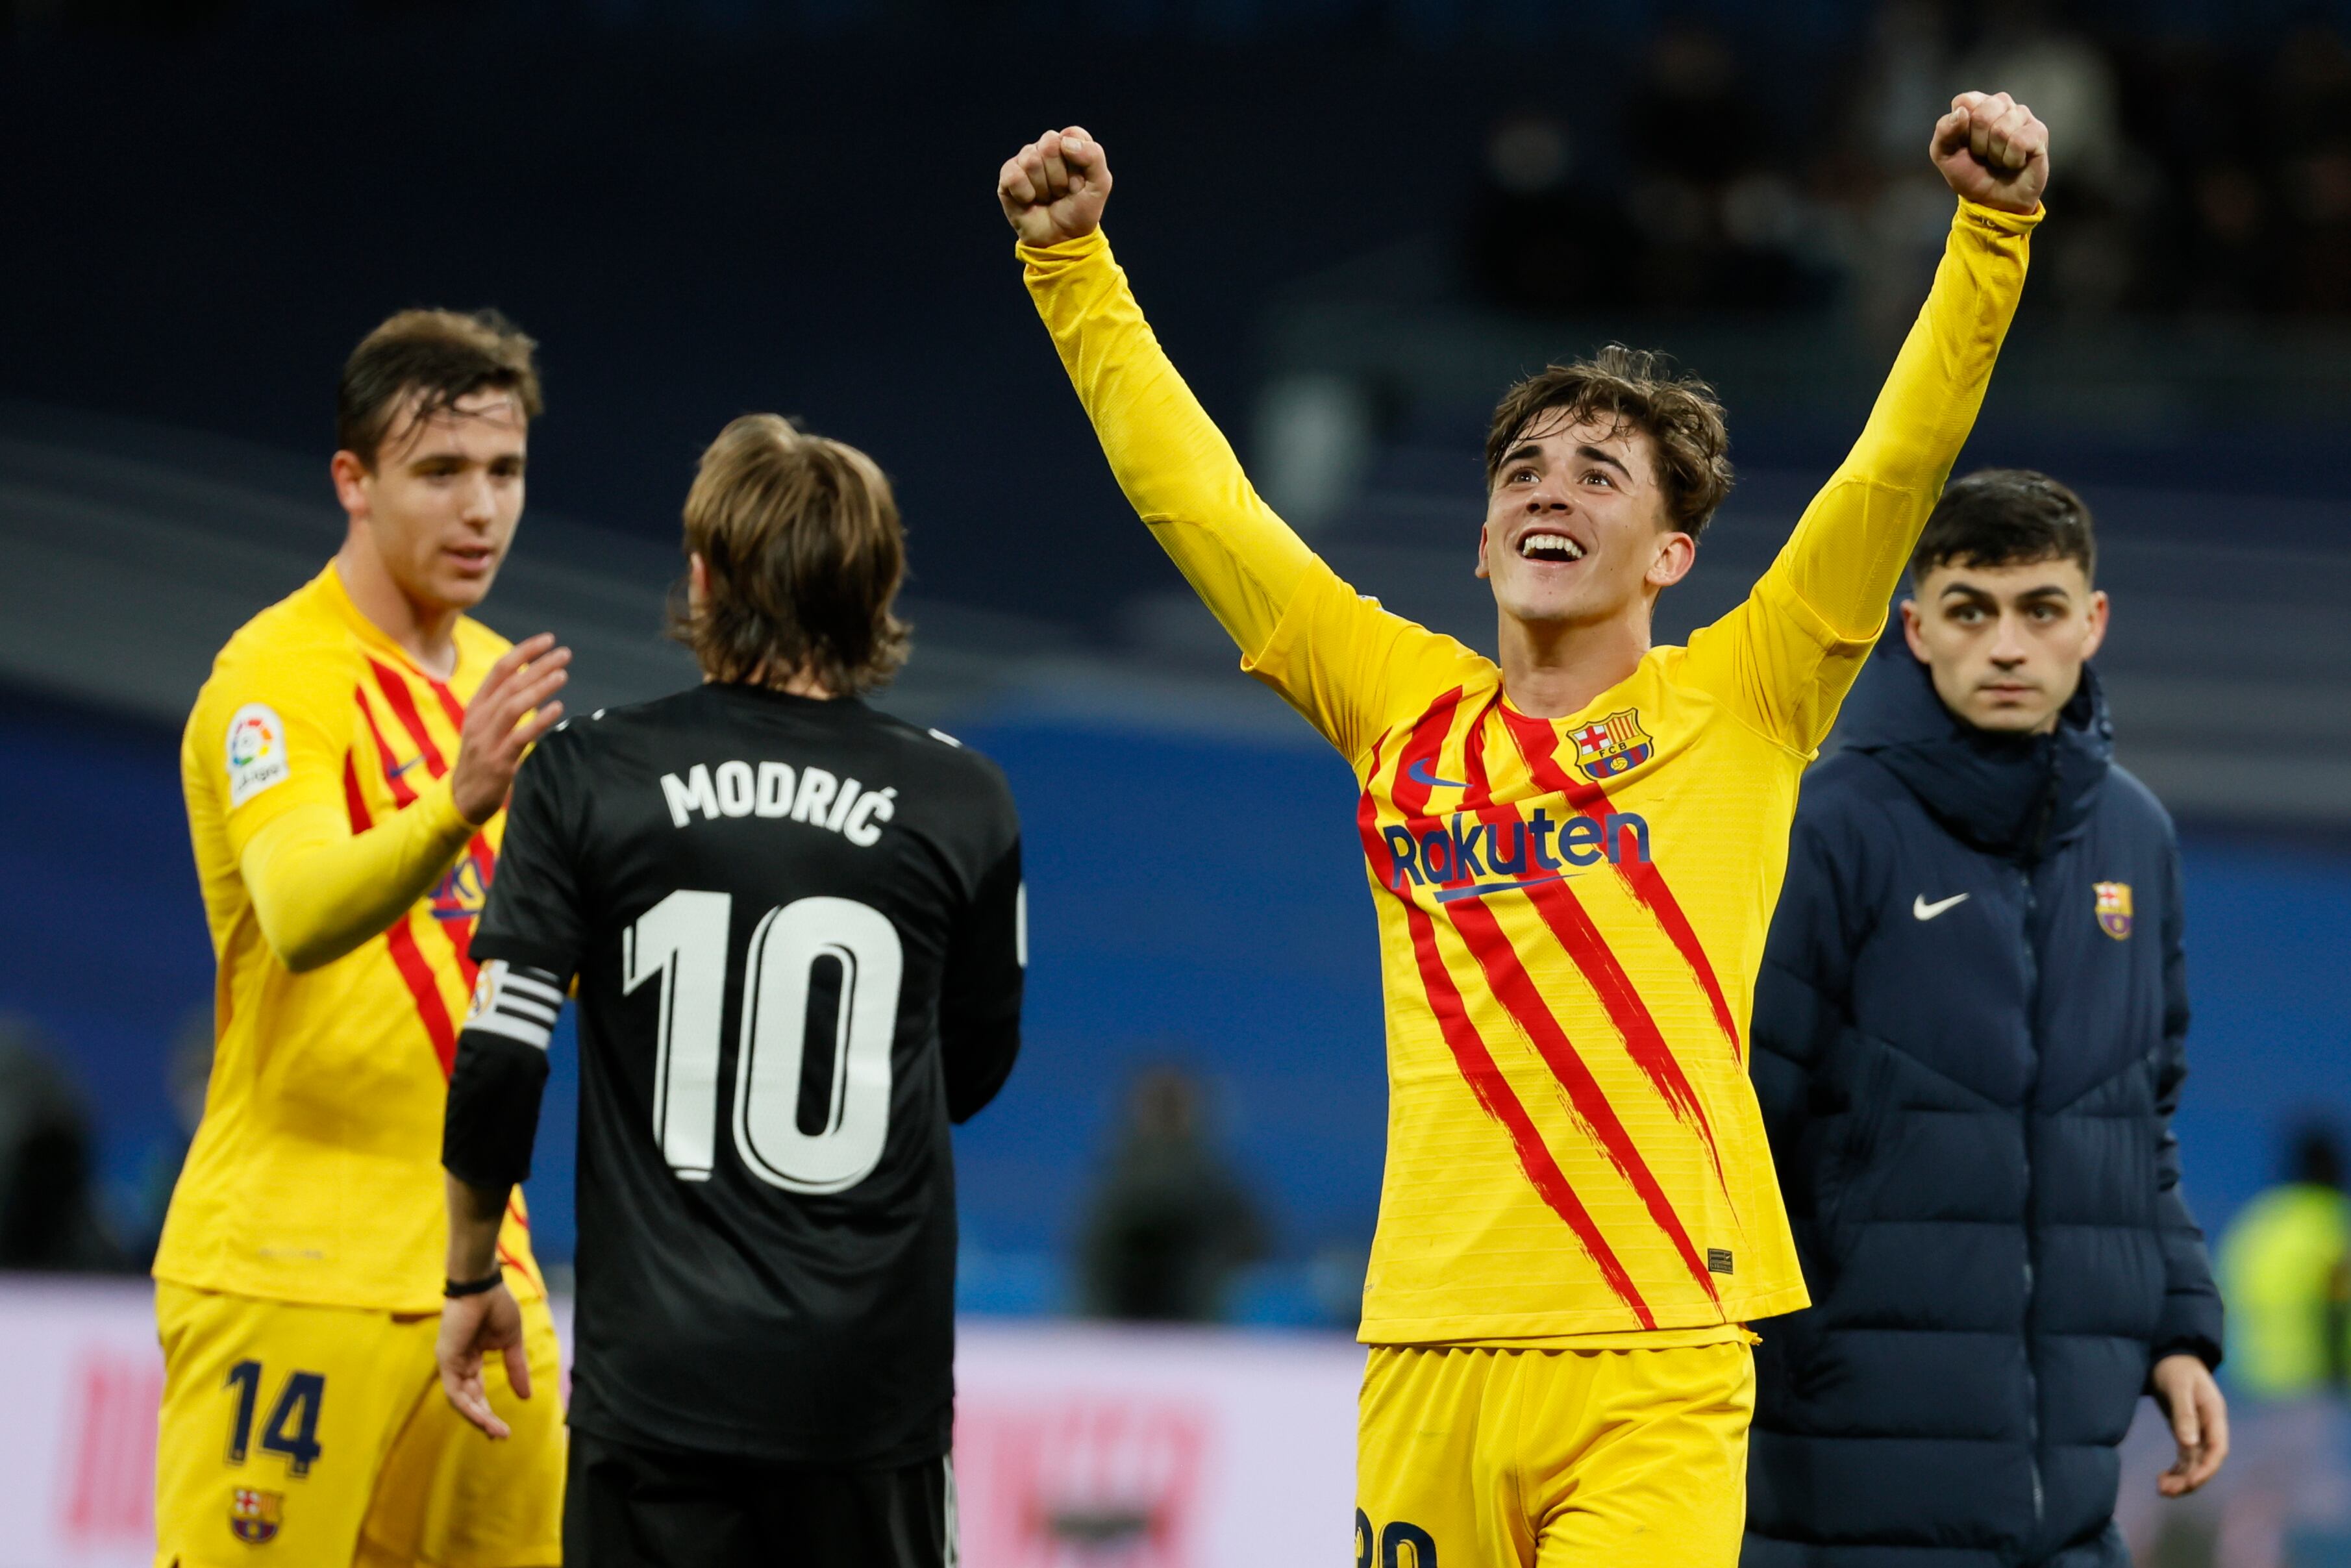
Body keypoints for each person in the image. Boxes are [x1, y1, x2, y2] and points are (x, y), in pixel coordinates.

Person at [1001, 94, 2048, 1566]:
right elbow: (1205, 509)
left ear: (1671, 553)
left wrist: (1989, 239)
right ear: (1485, 541)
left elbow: (1895, 465)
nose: (1551, 489)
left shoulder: (1746, 693)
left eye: (1598, 474)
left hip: (1654, 1356)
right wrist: (1074, 271)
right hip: (1426, 1350)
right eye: (1523, 476)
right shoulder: (1399, 711)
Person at [434, 414, 1025, 1568]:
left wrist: (470, 1270)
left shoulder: (584, 771)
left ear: (703, 579)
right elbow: (974, 1075)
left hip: (655, 1384)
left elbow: (503, 1048)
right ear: (874, 588)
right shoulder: (962, 796)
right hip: (869, 1400)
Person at [1745, 470, 2228, 1565]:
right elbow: (1743, 1128)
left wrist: (2174, 1332)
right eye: (1971, 610)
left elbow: (2137, 1126)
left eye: (2039, 610)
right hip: (1843, 1494)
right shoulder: (1826, 828)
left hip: (2065, 1506)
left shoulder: (2136, 840)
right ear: (1915, 629)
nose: (2006, 646)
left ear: (2091, 624)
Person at [156, 310, 570, 1567]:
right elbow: (296, 910)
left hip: (482, 1270)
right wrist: (456, 800)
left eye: (501, 471)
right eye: (439, 472)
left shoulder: (502, 682)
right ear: (354, 481)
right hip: (290, 1266)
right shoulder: (275, 677)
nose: (478, 508)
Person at [1076, 1064, 1268, 1321]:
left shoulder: (1211, 1177)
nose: (1167, 1117)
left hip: (1188, 1320)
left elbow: (1251, 1241)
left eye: (1173, 1107)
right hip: (1123, 1319)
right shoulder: (1124, 1175)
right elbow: (1099, 1254)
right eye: (1159, 1106)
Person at [2219, 1125, 2350, 1400]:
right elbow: (2336, 1306)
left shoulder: (2257, 1221)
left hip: (2248, 1383)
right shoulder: (2334, 1222)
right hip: (2317, 1382)